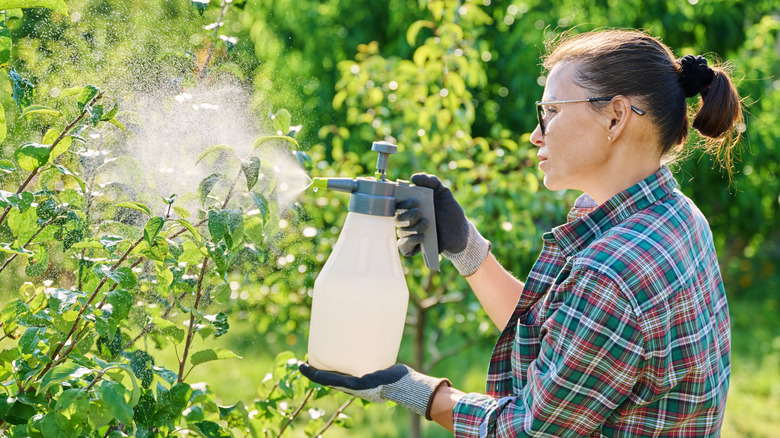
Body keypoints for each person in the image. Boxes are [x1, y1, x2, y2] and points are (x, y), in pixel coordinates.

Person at [300, 29, 741, 437]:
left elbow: (526, 428)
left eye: (550, 111)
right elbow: (565, 336)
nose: (535, 134)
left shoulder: (612, 274)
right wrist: (465, 246)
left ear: (615, 117)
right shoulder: (670, 215)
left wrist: (407, 388)